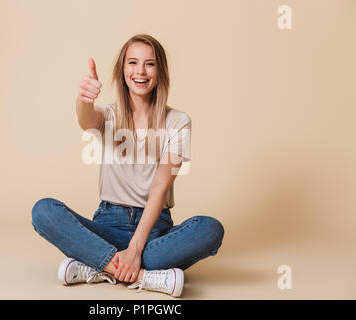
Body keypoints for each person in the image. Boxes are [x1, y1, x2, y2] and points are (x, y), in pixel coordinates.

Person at [31, 34, 224, 297]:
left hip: (155, 231)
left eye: (150, 64)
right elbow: (87, 120)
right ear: (122, 70)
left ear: (160, 72)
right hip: (107, 225)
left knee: (210, 229)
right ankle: (144, 275)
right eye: (132, 63)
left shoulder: (178, 122)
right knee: (43, 211)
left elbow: (161, 184)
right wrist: (84, 100)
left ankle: (100, 266)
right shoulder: (109, 115)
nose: (140, 72)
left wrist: (136, 248)